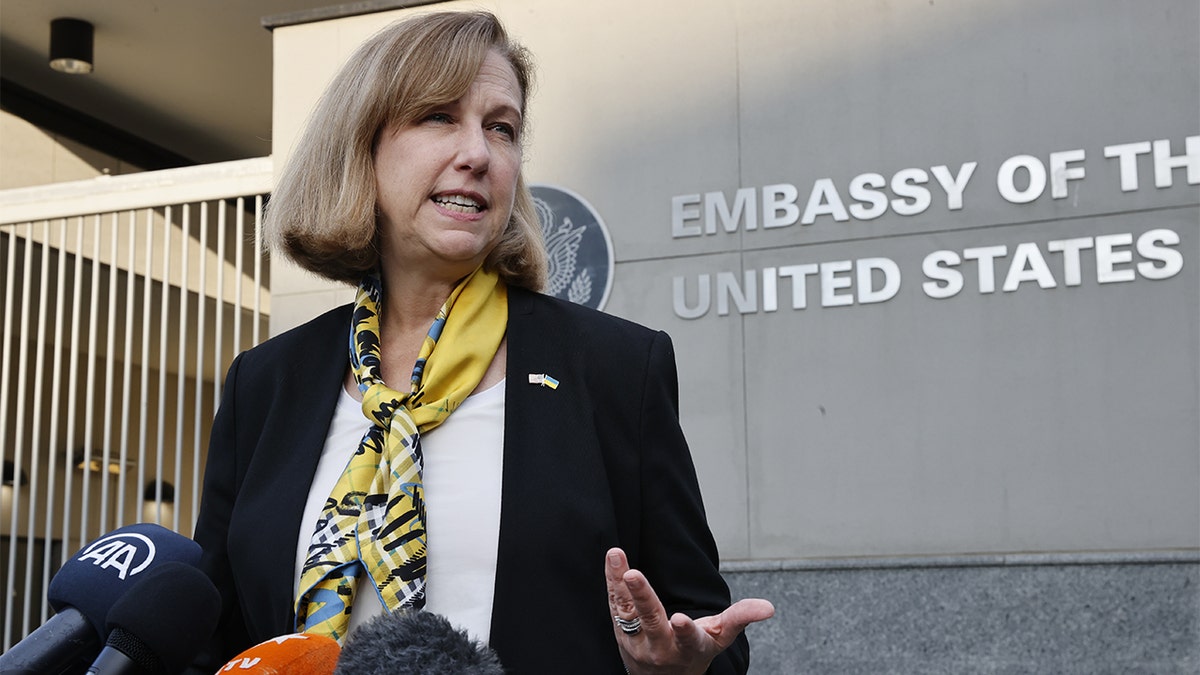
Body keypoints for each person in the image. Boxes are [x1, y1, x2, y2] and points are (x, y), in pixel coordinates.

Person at [190, 10, 773, 674]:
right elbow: (209, 635)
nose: (477, 153)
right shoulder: (265, 384)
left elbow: (704, 632)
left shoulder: (614, 369)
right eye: (439, 116)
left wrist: (679, 664)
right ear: (361, 146)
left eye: (502, 128)